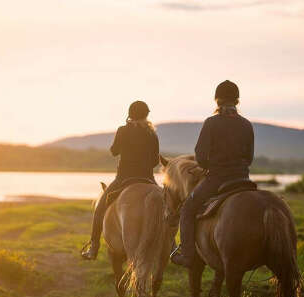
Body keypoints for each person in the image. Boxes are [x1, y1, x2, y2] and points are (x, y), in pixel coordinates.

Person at [170, 80, 254, 268]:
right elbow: (249, 157)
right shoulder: (247, 125)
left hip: (217, 179)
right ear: (237, 101)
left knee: (187, 209)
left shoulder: (211, 122)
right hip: (243, 180)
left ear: (217, 101)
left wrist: (208, 166)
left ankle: (188, 255)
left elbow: (200, 155)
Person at [81, 100, 160, 260]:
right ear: (146, 115)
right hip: (148, 180)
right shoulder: (152, 133)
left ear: (130, 115)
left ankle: (93, 248)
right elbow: (155, 161)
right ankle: (172, 247)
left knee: (99, 209)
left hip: (124, 178)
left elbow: (114, 151)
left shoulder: (123, 130)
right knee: (165, 207)